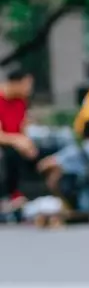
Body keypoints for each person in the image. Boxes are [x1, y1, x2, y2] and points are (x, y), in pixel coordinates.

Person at [0, 65, 38, 215]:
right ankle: (8, 196)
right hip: (5, 144)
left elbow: (23, 128)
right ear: (15, 83)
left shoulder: (21, 102)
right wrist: (18, 141)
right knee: (10, 154)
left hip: (15, 143)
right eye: (26, 84)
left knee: (38, 152)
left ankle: (30, 198)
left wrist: (27, 144)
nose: (29, 89)